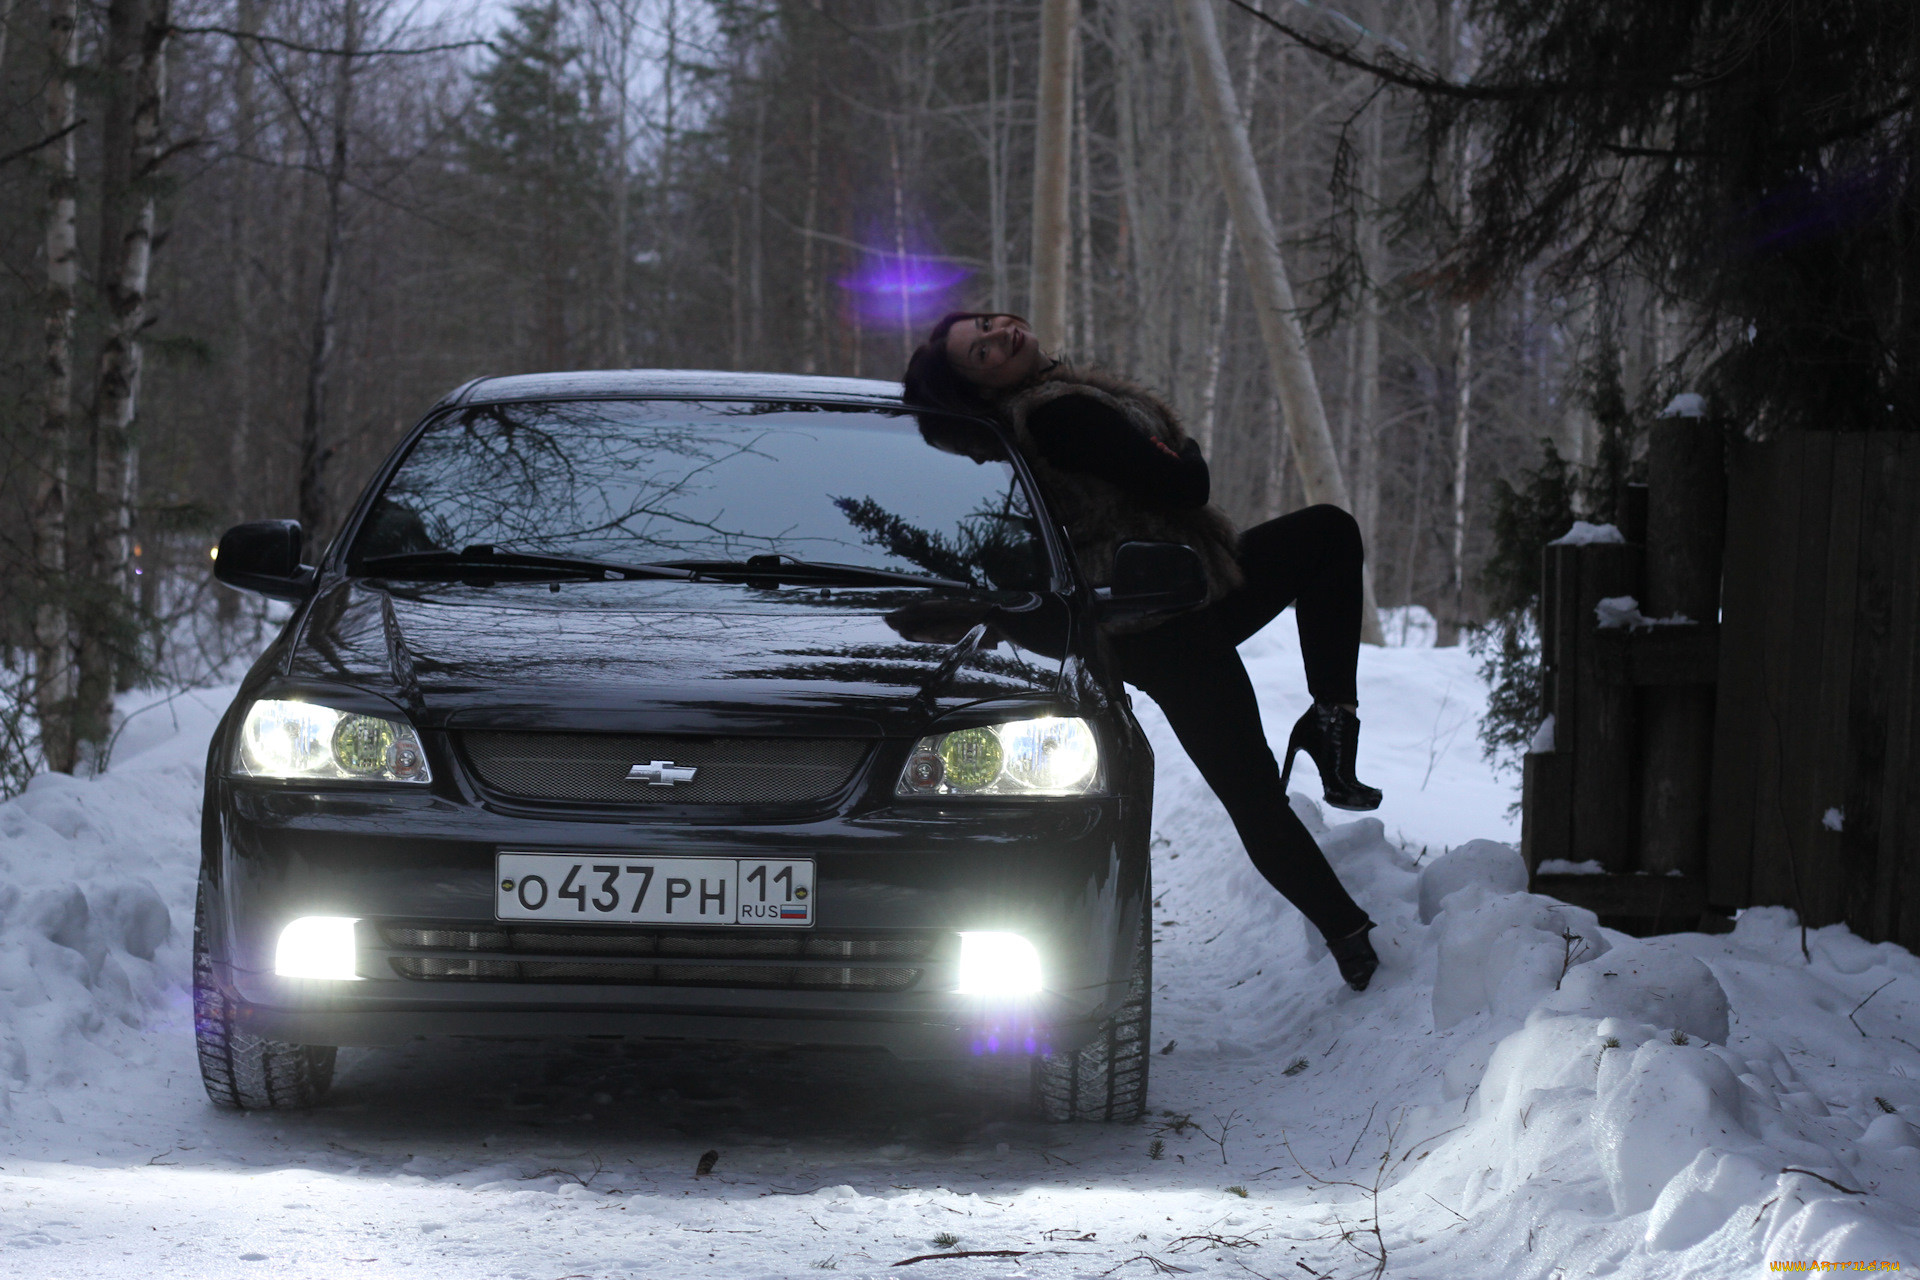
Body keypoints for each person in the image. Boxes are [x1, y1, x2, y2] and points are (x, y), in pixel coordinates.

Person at [902, 312, 1382, 992]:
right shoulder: (1057, 415)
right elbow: (1186, 484)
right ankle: (1351, 936)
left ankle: (1331, 725)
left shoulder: (1052, 402)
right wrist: (1183, 458)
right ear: (983, 386)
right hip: (1160, 623)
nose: (1001, 333)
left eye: (990, 324)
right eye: (982, 351)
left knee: (1328, 536)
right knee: (1248, 788)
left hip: (1194, 585)